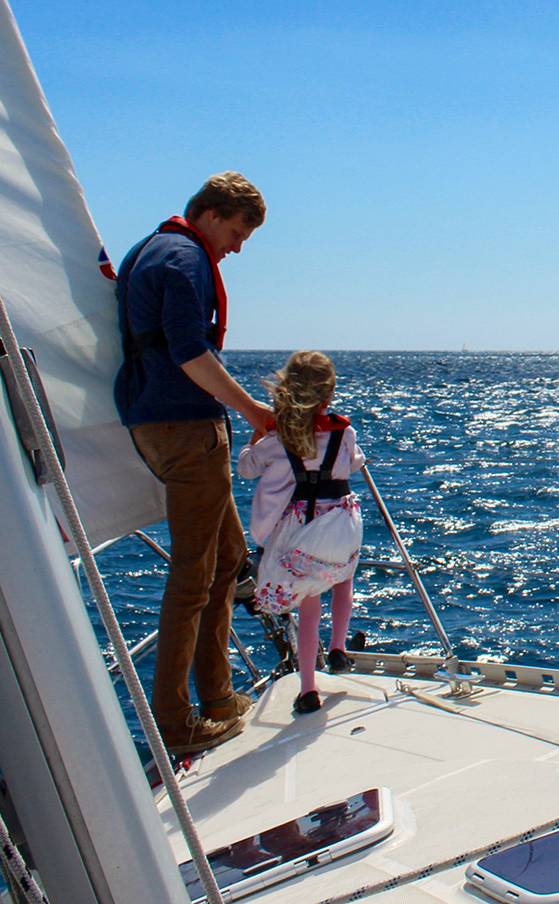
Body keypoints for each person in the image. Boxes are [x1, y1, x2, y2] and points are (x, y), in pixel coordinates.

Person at [114, 172, 274, 755]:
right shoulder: (185, 259)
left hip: (154, 421)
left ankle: (220, 697)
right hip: (185, 427)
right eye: (235, 232)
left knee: (229, 556)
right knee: (193, 576)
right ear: (209, 214)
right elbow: (187, 350)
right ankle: (176, 723)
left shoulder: (148, 250)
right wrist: (255, 411)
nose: (235, 247)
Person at [240, 350, 366, 715]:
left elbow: (247, 468)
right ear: (329, 396)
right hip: (341, 525)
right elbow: (353, 462)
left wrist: (255, 433)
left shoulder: (276, 440)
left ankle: (309, 688)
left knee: (310, 606)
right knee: (343, 579)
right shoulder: (344, 432)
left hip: (303, 531)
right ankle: (340, 647)